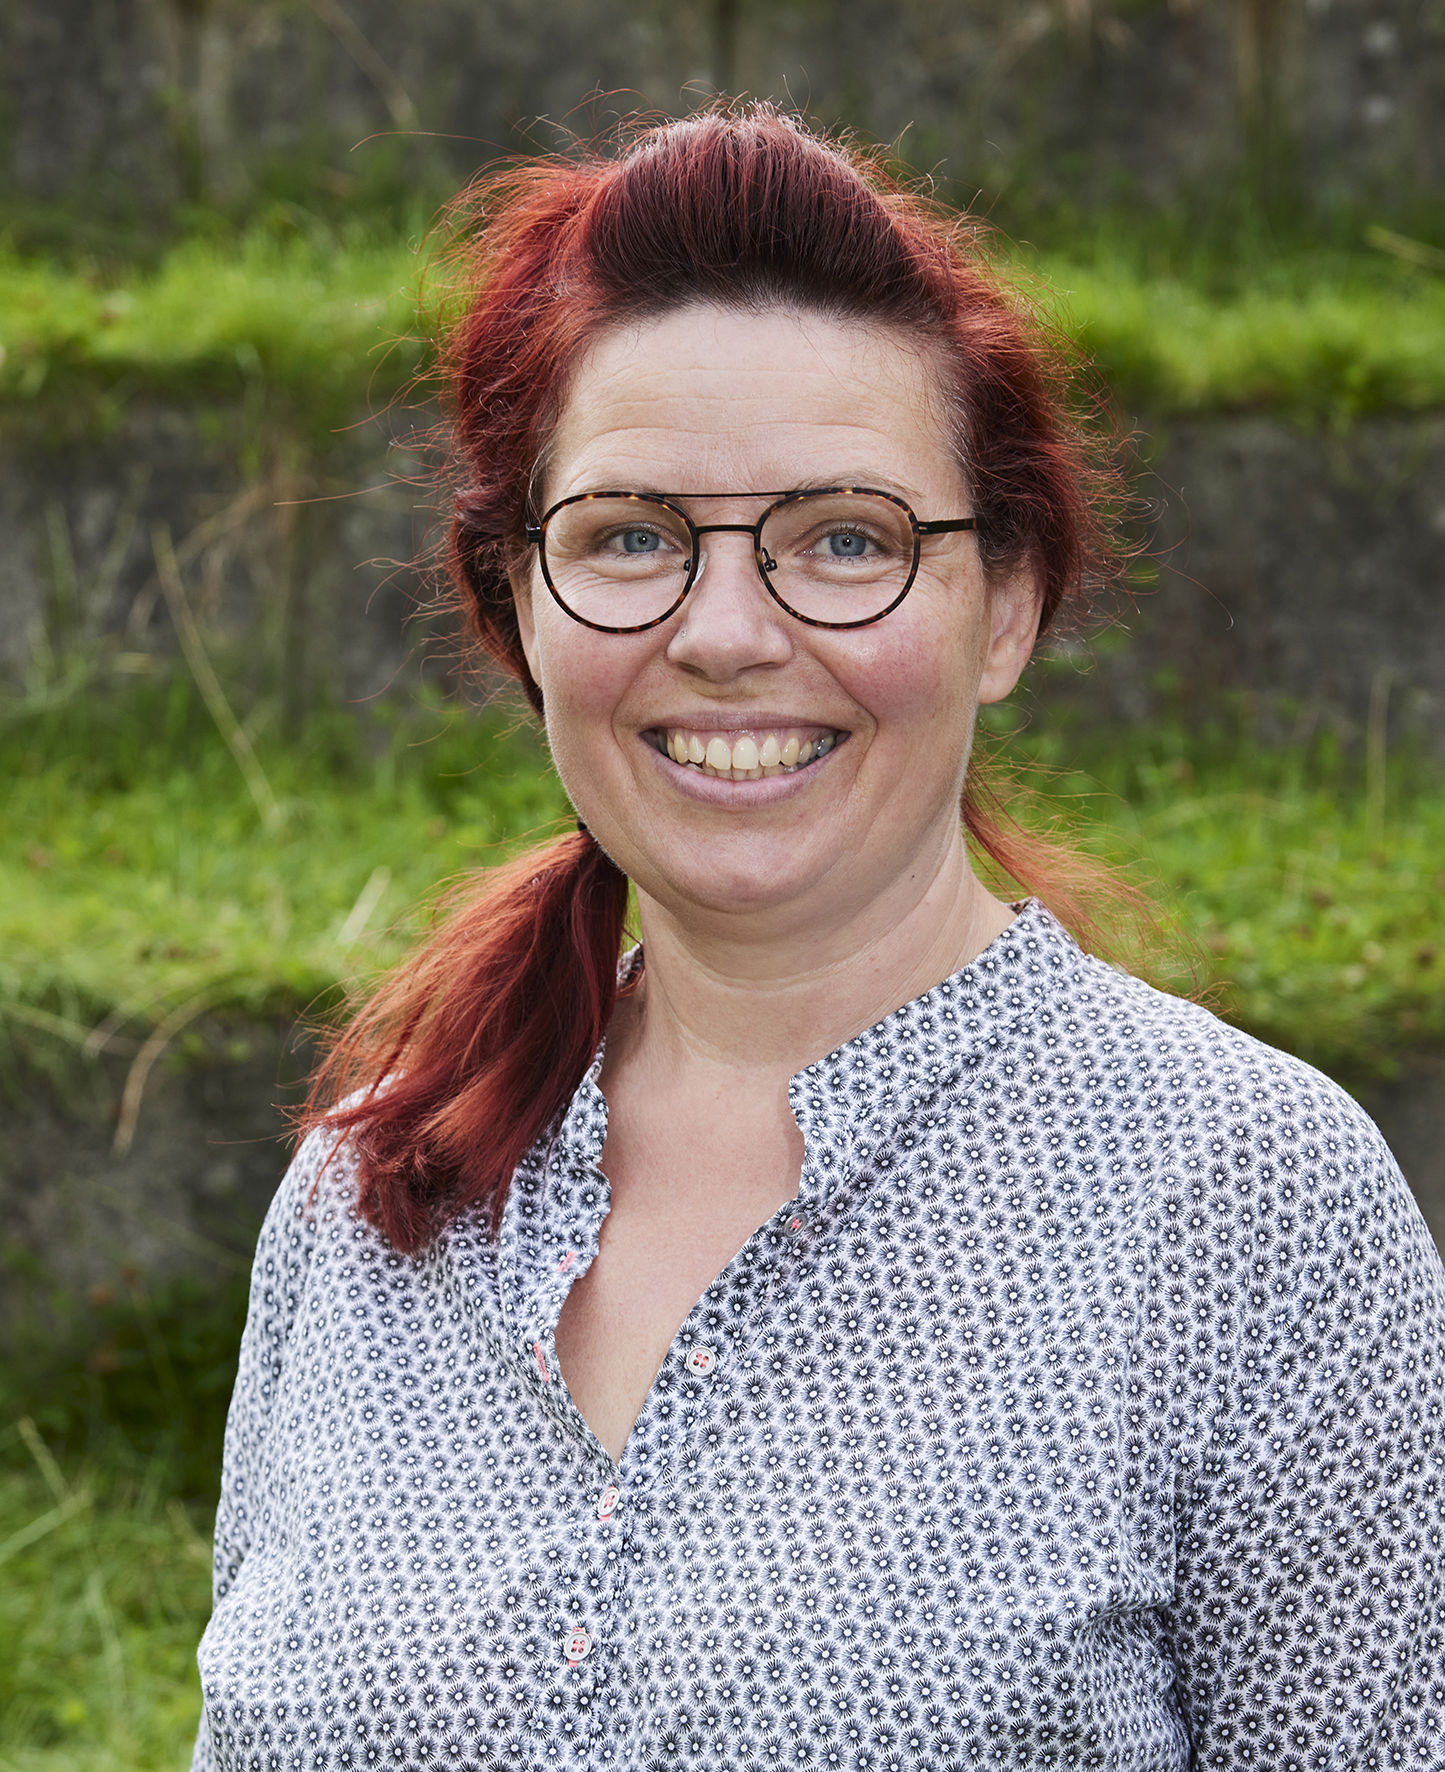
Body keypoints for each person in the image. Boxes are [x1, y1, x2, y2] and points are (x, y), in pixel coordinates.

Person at [191, 107, 1445, 1770]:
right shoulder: (368, 1197)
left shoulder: (1251, 1205)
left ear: (1005, 607)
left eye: (845, 539)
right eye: (629, 536)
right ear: (518, 605)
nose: (724, 633)